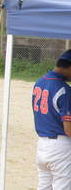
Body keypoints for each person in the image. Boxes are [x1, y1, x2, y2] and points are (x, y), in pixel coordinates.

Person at [33, 50, 71, 189]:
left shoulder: (40, 81)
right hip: (60, 146)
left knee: (44, 187)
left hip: (42, 144)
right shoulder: (64, 90)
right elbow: (68, 128)